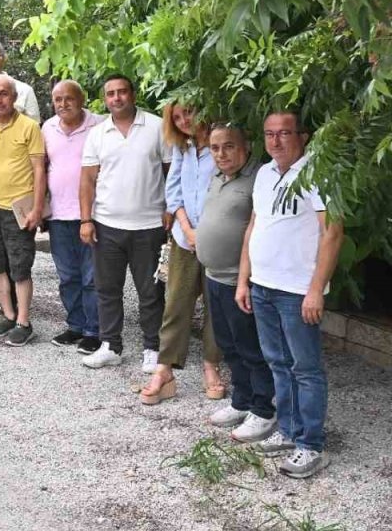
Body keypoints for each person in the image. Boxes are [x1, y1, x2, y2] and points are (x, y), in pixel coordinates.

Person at [237, 112, 343, 479]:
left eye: (284, 133)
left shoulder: (319, 172)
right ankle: (290, 429)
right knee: (278, 362)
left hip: (297, 291)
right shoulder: (265, 174)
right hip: (263, 285)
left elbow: (332, 232)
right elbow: (254, 226)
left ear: (303, 136)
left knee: (306, 369)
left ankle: (311, 444)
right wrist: (243, 280)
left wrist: (316, 289)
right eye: (269, 134)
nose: (276, 141)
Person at [80, 75, 171, 370]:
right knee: (107, 288)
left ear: (133, 94)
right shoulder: (97, 133)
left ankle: (152, 348)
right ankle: (110, 345)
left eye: (122, 92)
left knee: (151, 291)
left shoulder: (157, 126)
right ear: (105, 99)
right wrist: (86, 220)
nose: (117, 98)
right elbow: (88, 180)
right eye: (110, 94)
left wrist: (171, 209)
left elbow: (172, 172)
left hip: (149, 225)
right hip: (106, 224)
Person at [140, 102, 224, 404]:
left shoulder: (220, 144)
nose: (183, 120)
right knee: (176, 303)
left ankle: (211, 365)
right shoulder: (182, 147)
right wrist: (188, 231)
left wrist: (207, 232)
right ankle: (164, 370)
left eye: (188, 112)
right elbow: (173, 191)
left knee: (217, 306)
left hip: (219, 238)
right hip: (185, 238)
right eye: (176, 117)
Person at [197, 124, 276, 443]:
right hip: (214, 277)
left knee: (250, 347)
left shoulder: (257, 178)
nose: (221, 154)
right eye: (215, 148)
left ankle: (263, 410)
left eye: (228, 146)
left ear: (245, 147)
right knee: (228, 345)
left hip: (239, 281)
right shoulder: (217, 178)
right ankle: (242, 401)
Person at [0, 74, 47, 347]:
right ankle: (8, 313)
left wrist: (37, 209)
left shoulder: (29, 127)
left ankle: (24, 322)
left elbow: (39, 170)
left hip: (19, 208)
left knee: (20, 266)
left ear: (14, 97)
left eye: (4, 94)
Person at [41, 80, 103, 352]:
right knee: (67, 276)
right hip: (58, 214)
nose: (63, 104)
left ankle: (94, 330)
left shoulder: (100, 125)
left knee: (92, 277)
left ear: (82, 99)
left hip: (92, 213)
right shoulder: (47, 127)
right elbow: (43, 167)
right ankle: (75, 325)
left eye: (69, 98)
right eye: (58, 99)